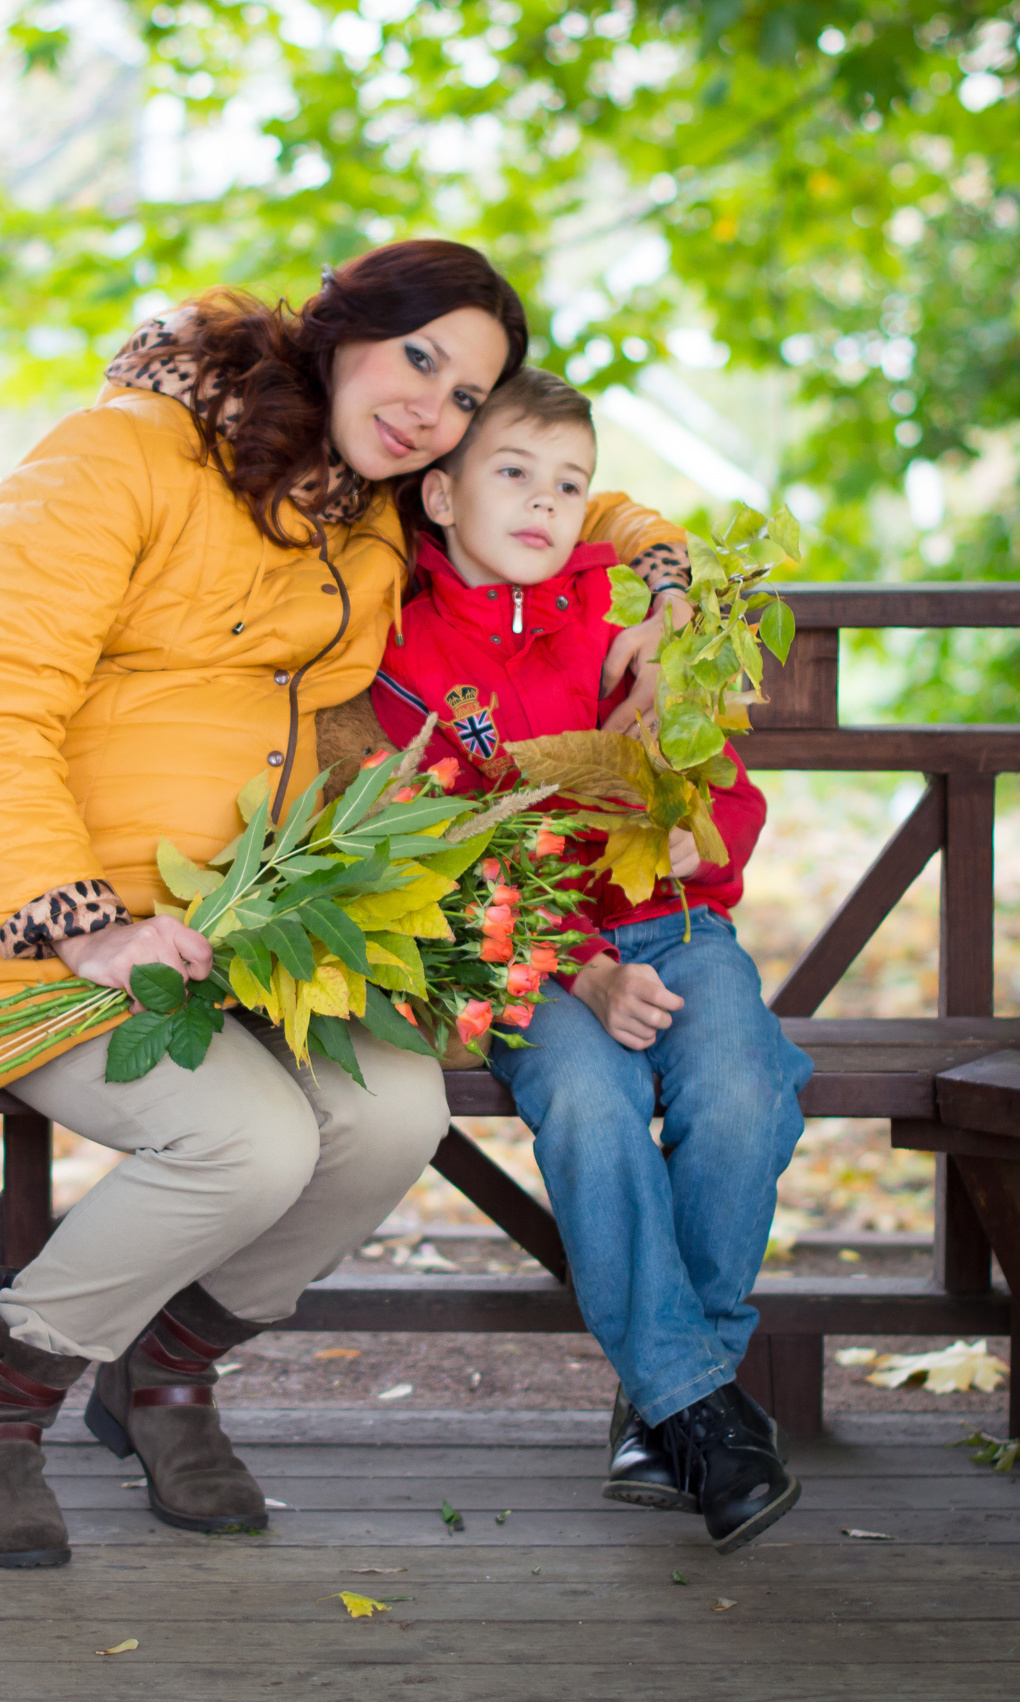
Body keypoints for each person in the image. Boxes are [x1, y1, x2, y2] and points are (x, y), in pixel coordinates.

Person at [0, 241, 690, 1570]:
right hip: (28, 916)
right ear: (340, 330)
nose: (433, 404)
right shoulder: (120, 456)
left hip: (247, 926)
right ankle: (0, 1402)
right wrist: (84, 919)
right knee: (250, 1143)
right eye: (418, 356)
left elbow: (585, 506)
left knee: (393, 1116)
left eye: (465, 393)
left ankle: (164, 1372)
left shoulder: (369, 514)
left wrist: (664, 589)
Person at [364, 366, 812, 1555]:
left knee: (741, 1086)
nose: (542, 502)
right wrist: (584, 972)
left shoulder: (632, 613)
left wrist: (688, 801)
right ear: (442, 496)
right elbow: (450, 863)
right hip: (536, 961)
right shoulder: (408, 648)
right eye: (511, 474)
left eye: (568, 484)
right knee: (589, 1104)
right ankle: (700, 1409)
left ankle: (666, 1403)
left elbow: (728, 799)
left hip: (676, 924)